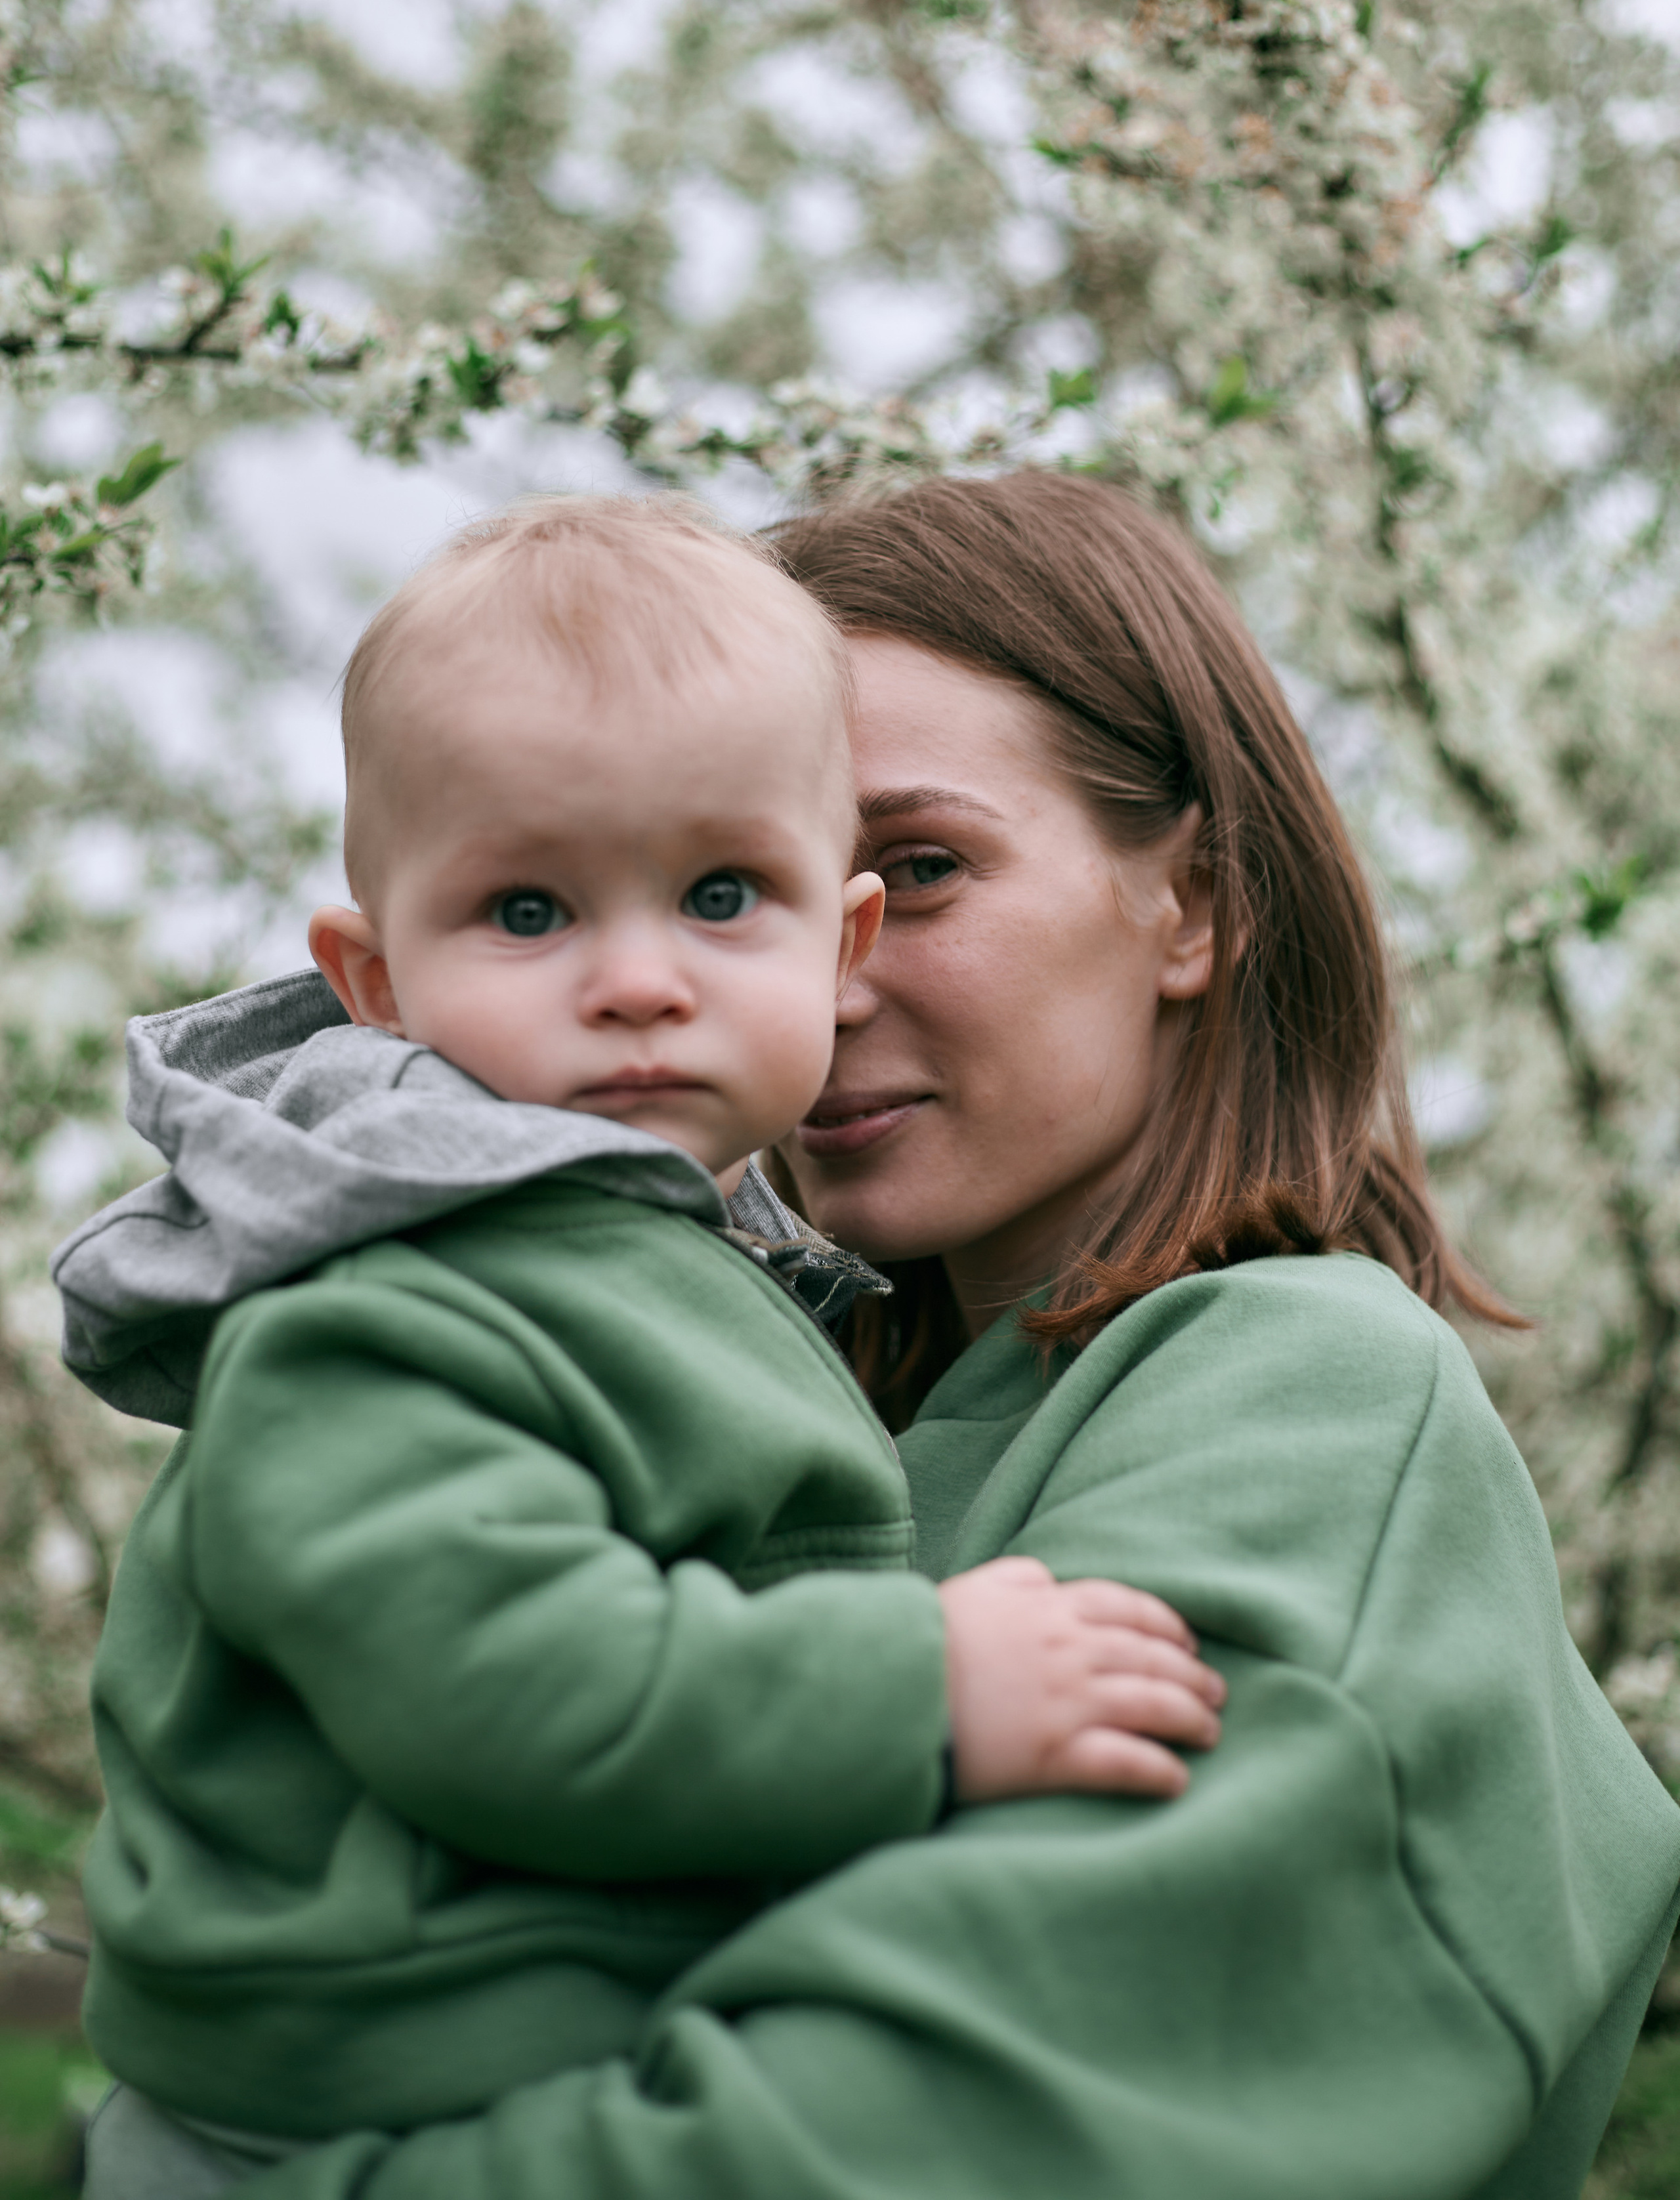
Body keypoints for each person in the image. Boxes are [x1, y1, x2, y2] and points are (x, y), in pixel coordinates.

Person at [226, 472, 1680, 2200]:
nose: (815, 986)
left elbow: (913, 2139)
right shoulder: (705, 1416)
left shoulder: (1313, 1403)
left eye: (917, 871)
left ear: (1193, 904)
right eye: (734, 885)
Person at [56, 493, 1223, 2200]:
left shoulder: (639, 1257)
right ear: (376, 982)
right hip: (353, 2098)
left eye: (720, 895)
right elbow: (504, 1689)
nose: (636, 980)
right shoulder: (393, 1294)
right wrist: (923, 1691)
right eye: (529, 912)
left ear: (841, 946)